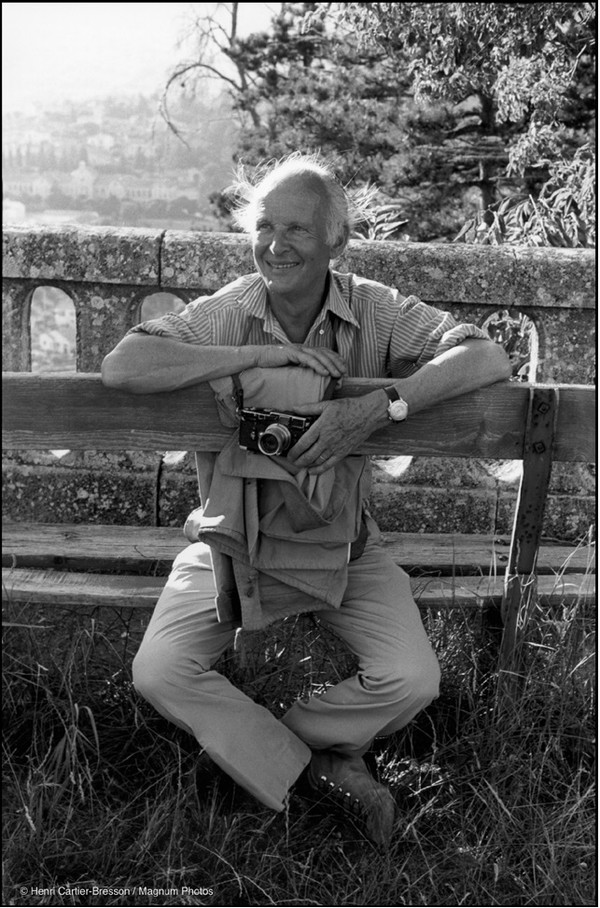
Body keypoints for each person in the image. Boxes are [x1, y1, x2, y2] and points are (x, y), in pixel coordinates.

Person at [101, 152, 511, 846]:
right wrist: (255, 358)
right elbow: (124, 366)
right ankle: (316, 769)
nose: (274, 243)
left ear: (336, 242)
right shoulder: (229, 311)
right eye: (264, 225)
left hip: (341, 540)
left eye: (295, 228)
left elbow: (486, 356)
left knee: (411, 677)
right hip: (231, 542)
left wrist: (379, 408)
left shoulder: (377, 309)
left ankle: (288, 750)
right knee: (160, 670)